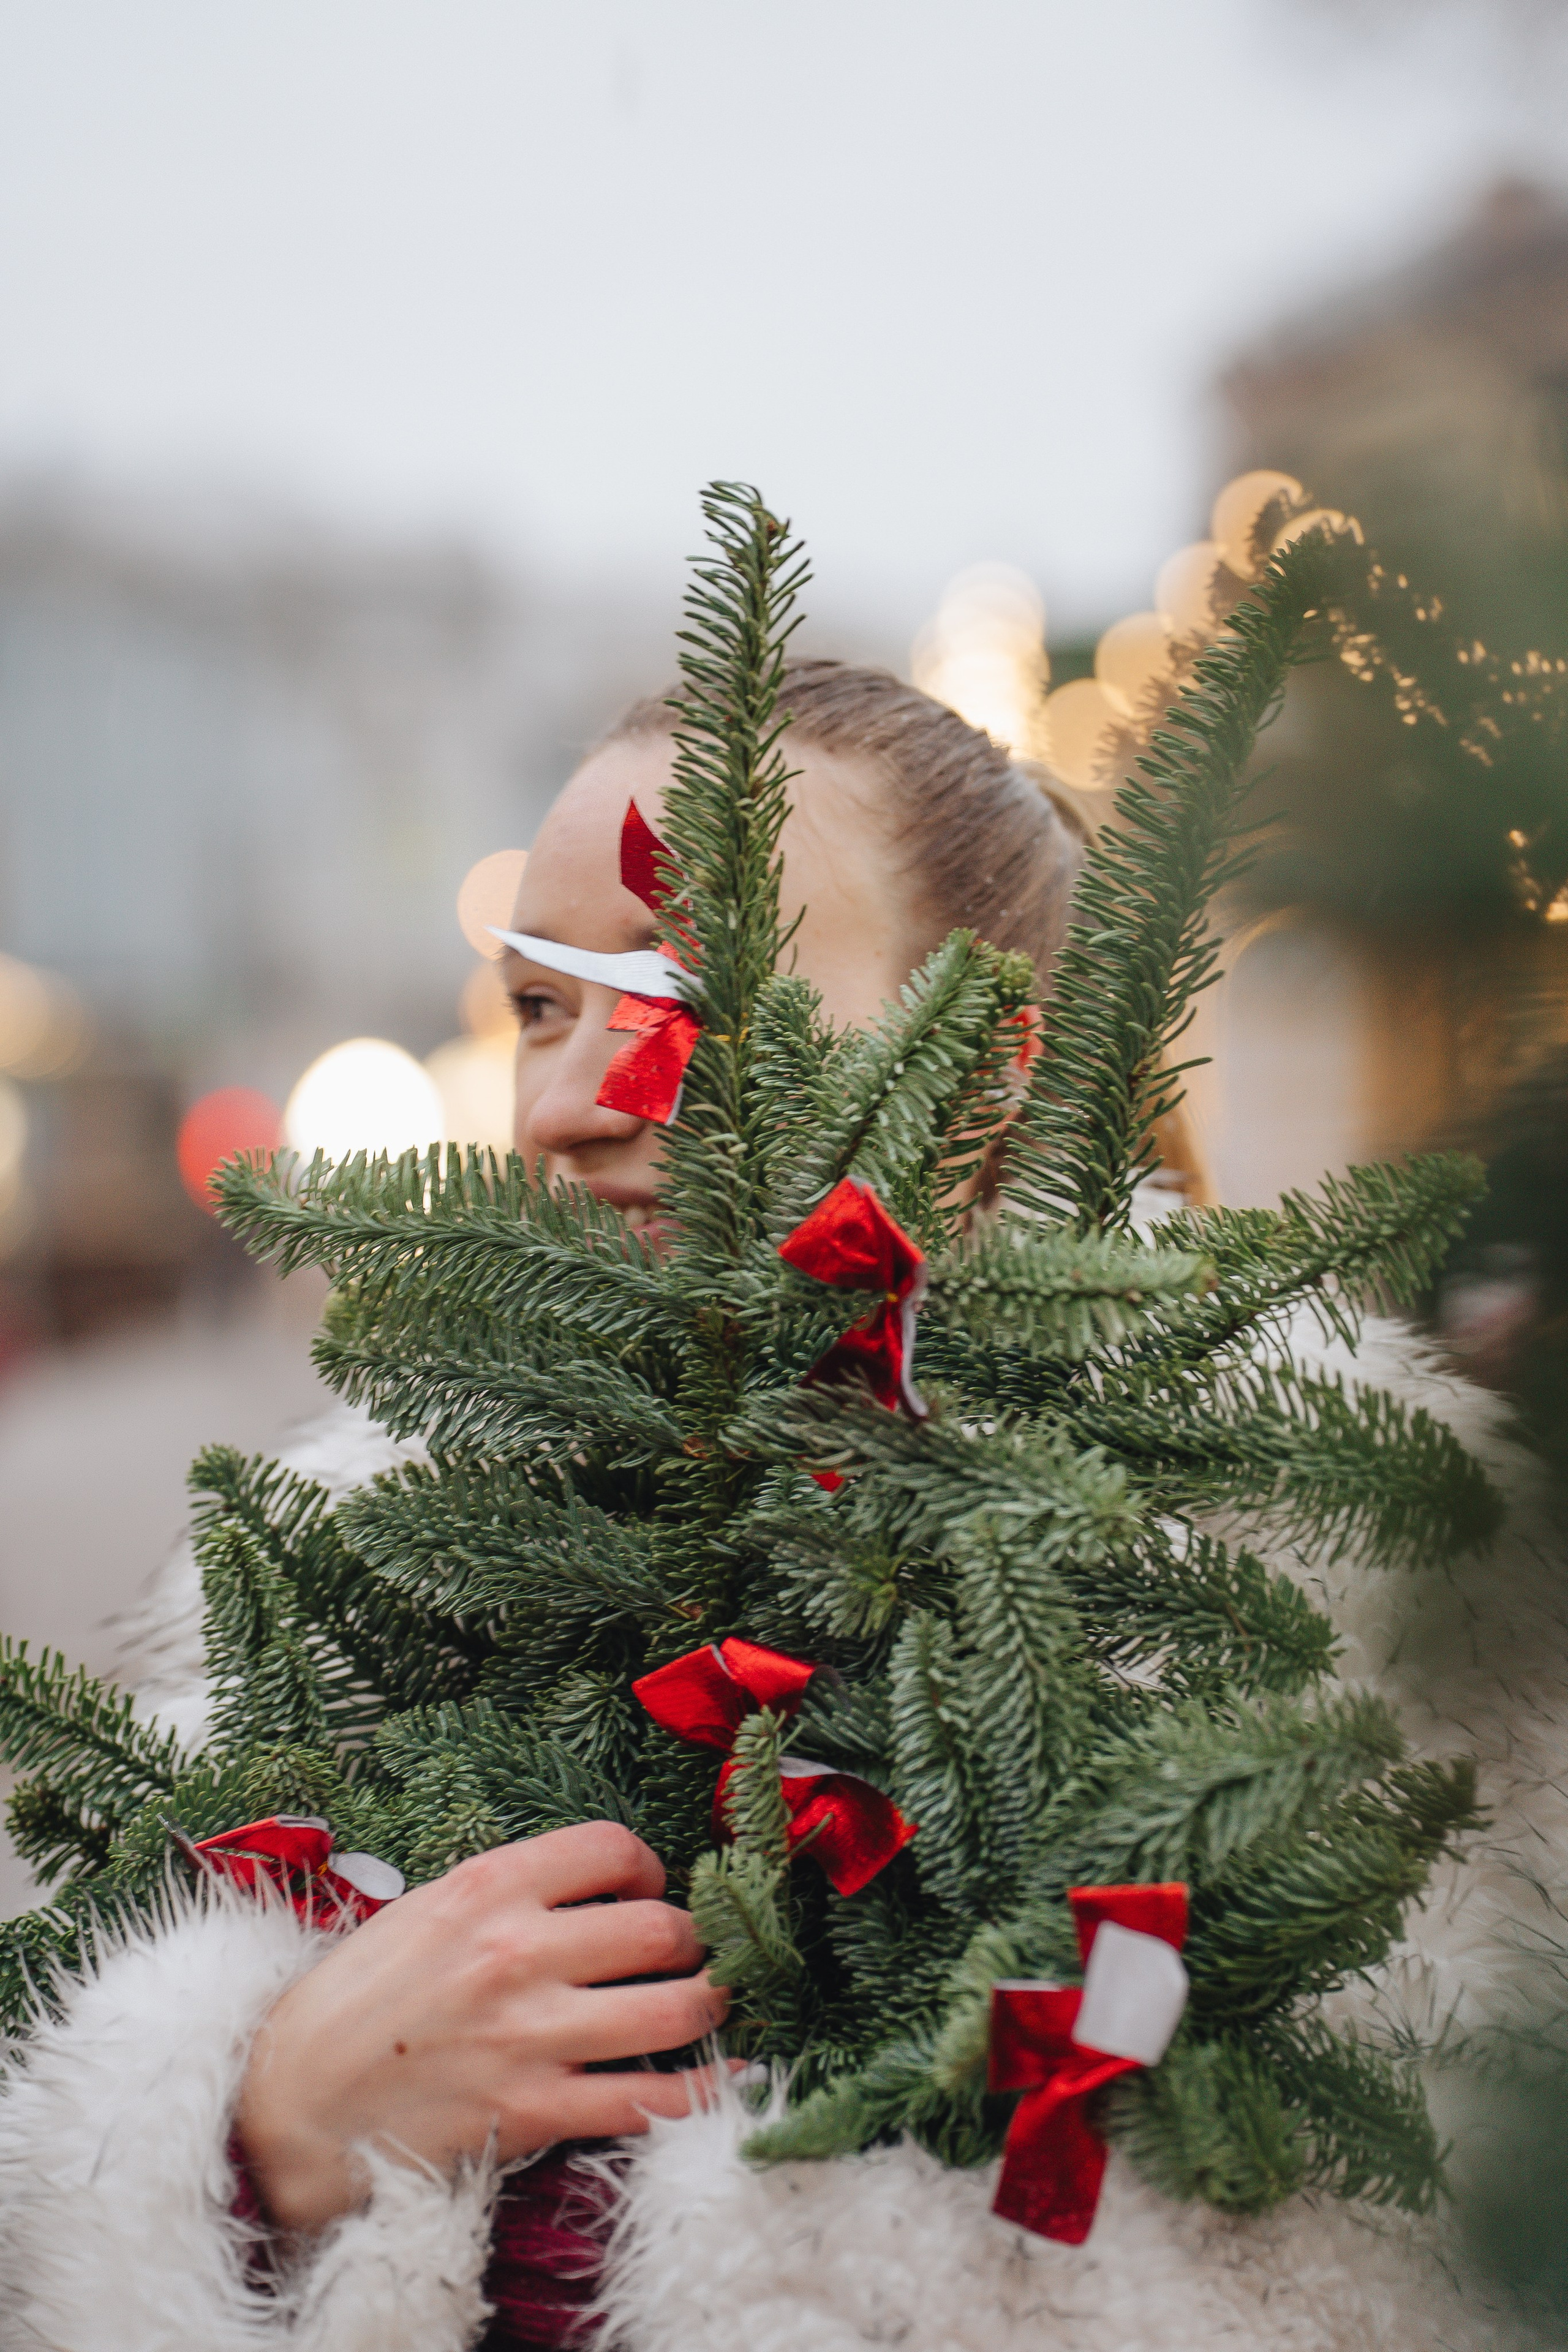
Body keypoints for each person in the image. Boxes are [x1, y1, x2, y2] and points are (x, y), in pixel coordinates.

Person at [0, 665, 1556, 2352]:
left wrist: (571, 2243)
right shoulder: (355, 1584)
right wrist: (262, 2138)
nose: (560, 1101)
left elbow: (1399, 2265)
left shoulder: (1356, 1595)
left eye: (692, 992)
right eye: (534, 1004)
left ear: (990, 1065)